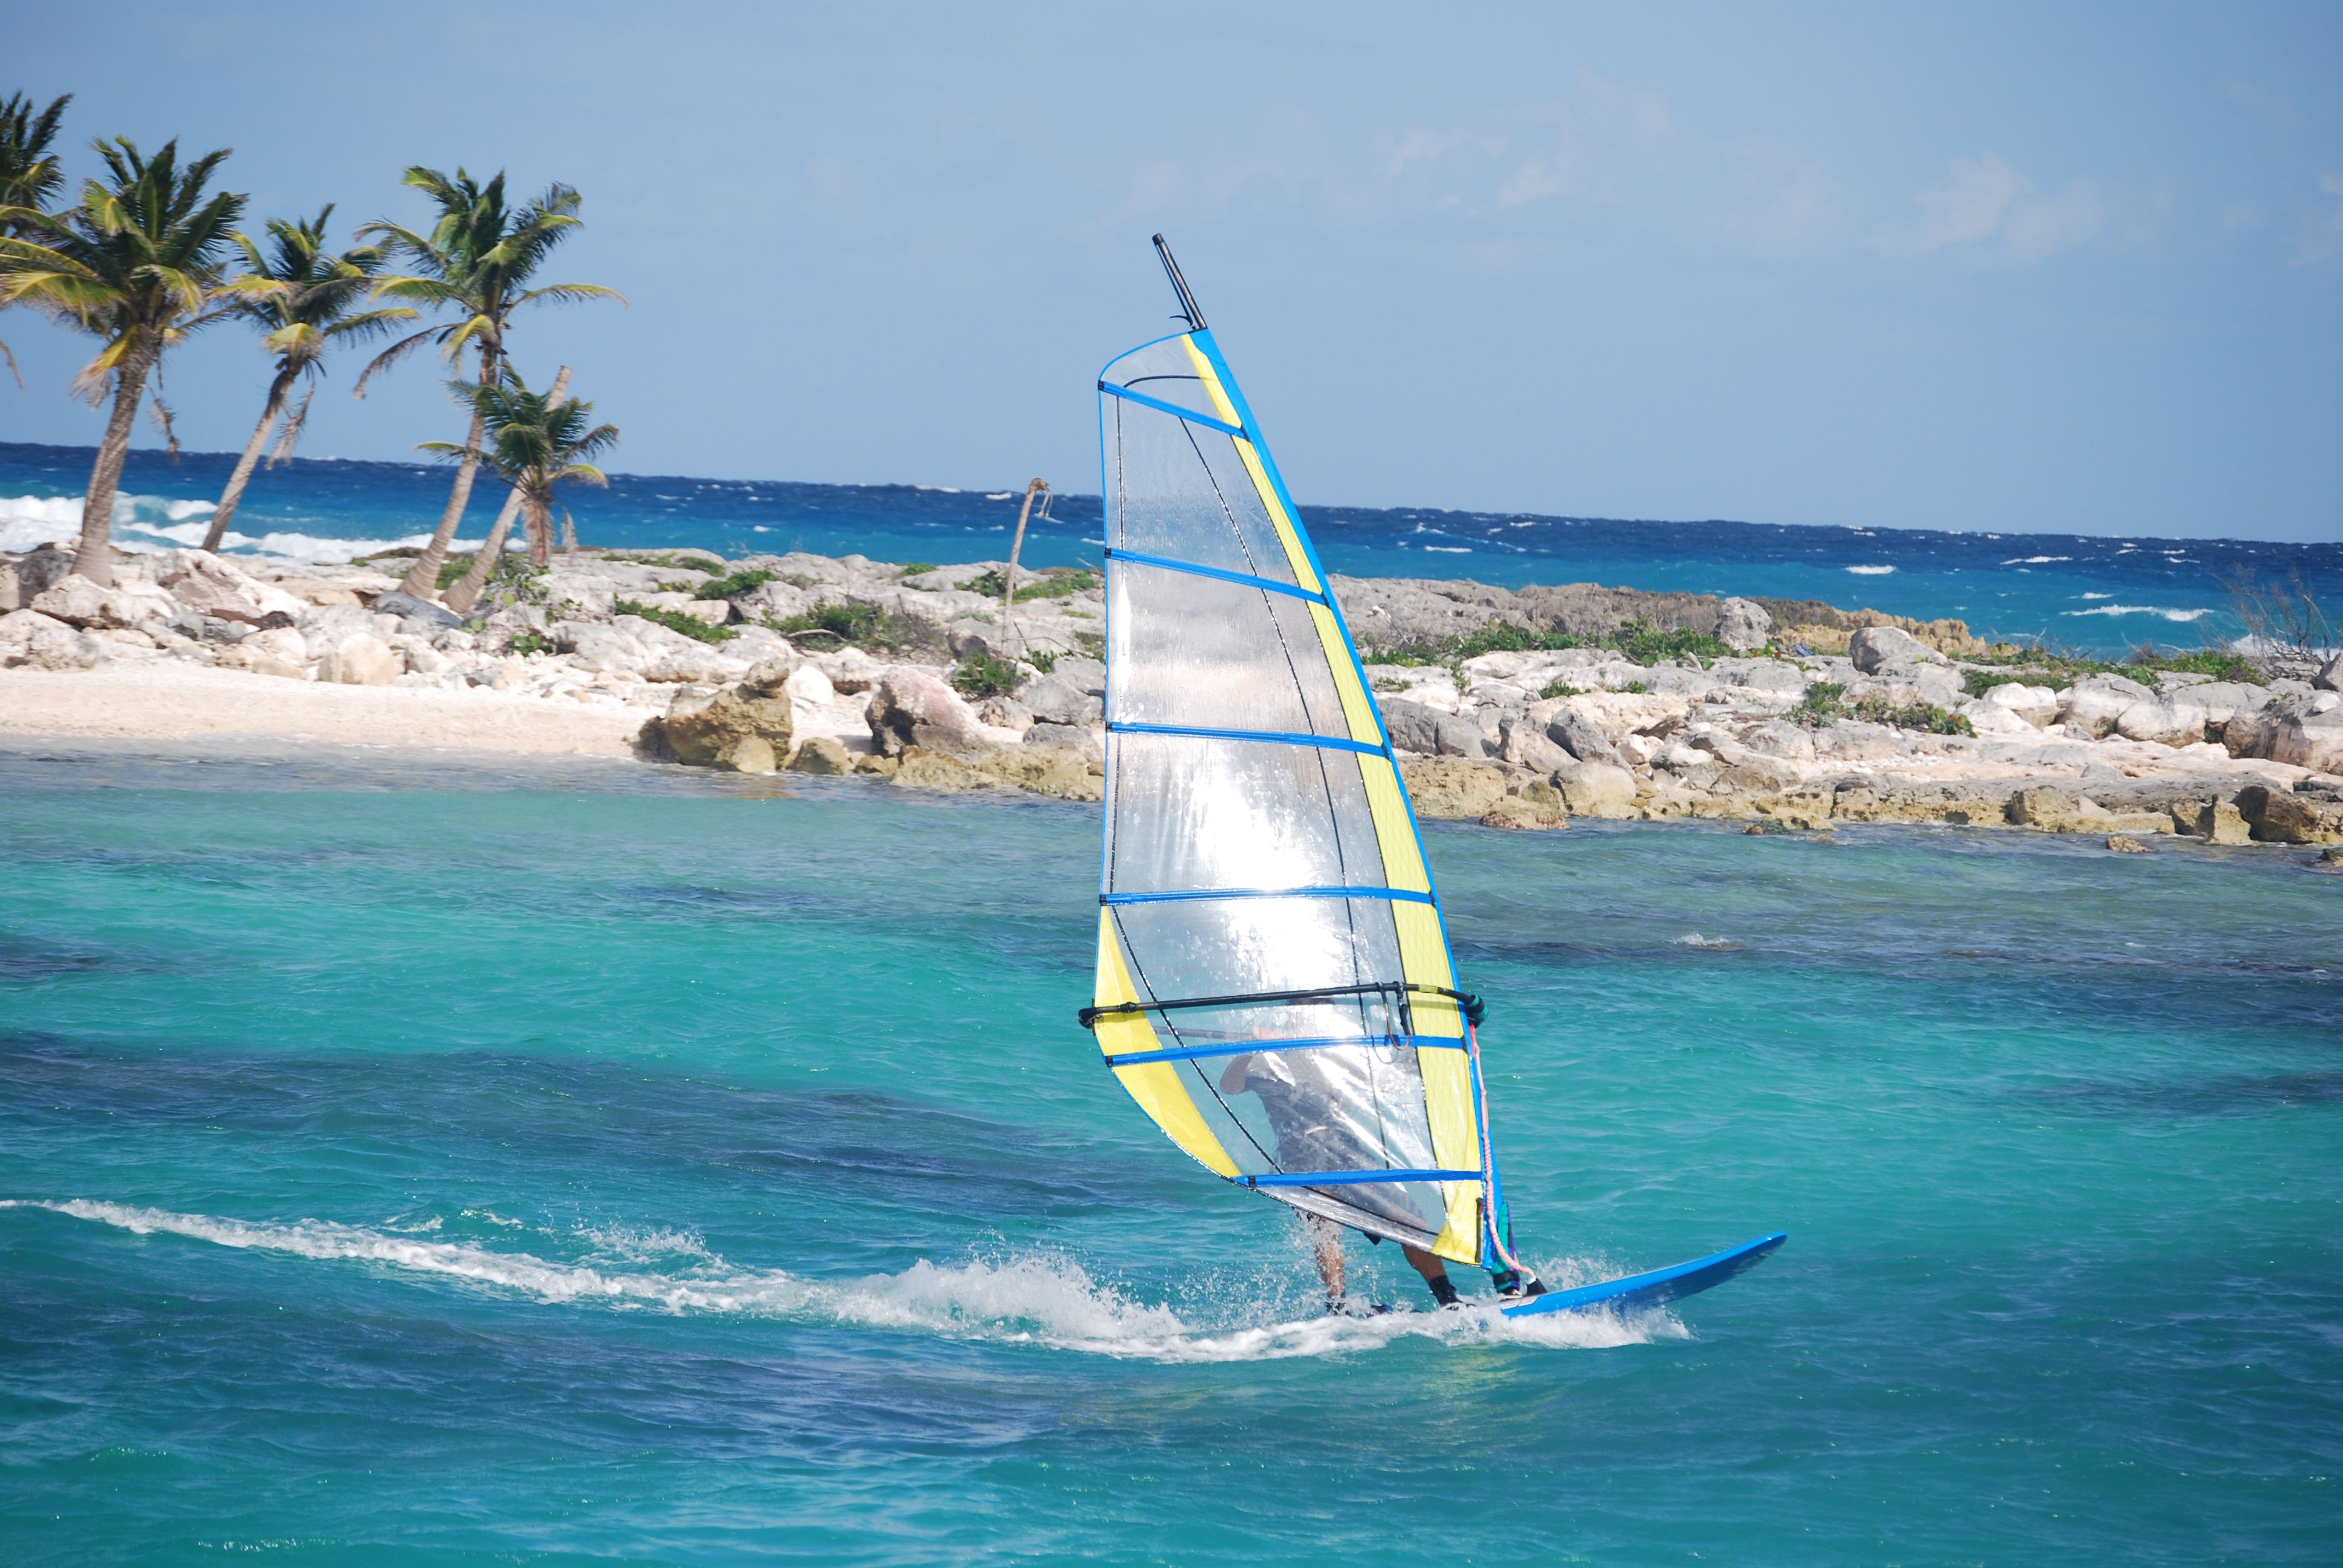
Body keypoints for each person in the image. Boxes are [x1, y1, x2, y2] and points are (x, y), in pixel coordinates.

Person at [1220, 1048, 1470, 1312]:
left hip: (1348, 1156)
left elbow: (1385, 1077)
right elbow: (1230, 1086)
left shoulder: (1334, 1059)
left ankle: (1447, 1298)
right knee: (1325, 1225)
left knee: (1409, 1221)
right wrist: (1248, 1050)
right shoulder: (1267, 1068)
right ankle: (1338, 1306)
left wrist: (1411, 1057)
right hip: (1303, 1162)